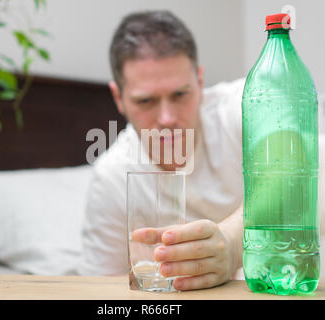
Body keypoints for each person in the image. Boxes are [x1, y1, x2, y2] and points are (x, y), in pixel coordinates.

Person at [80, 10, 245, 291]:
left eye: (180, 95)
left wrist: (231, 243)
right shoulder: (111, 178)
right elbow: (100, 289)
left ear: (200, 81)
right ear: (119, 98)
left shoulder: (246, 108)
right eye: (146, 101)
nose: (167, 118)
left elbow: (309, 180)